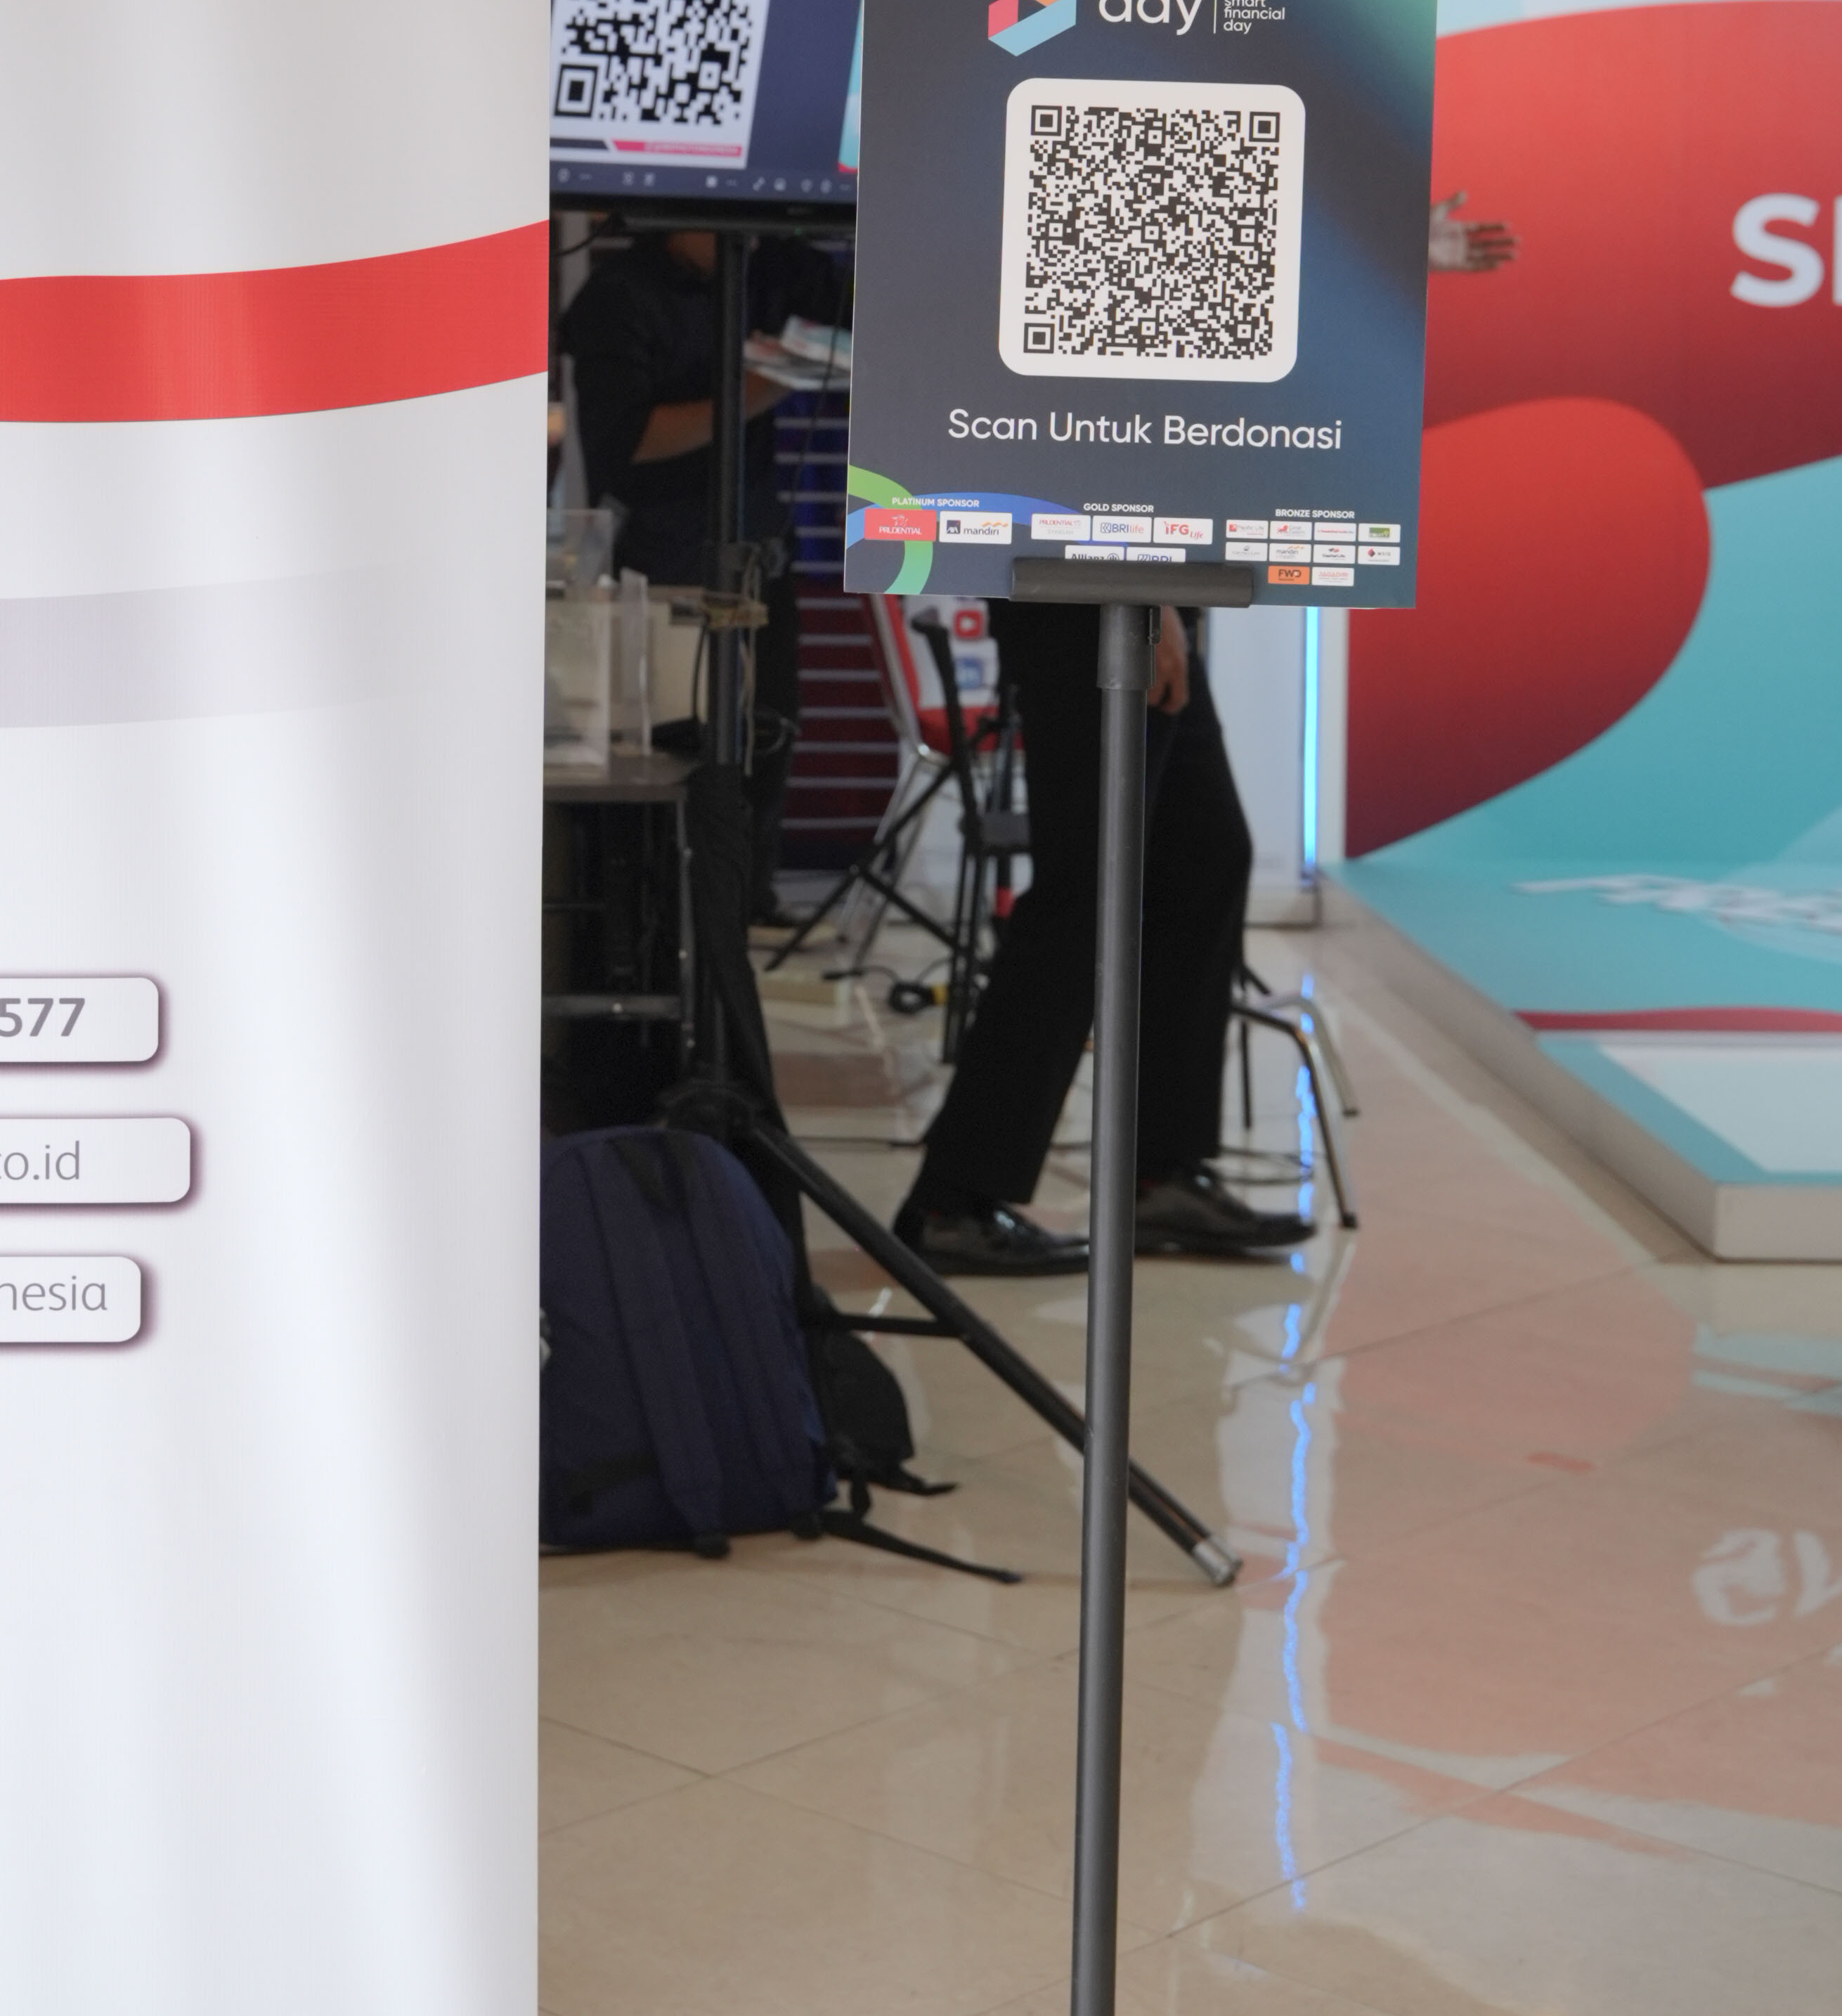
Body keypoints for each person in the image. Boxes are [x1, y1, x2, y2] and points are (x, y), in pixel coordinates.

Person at [899, 599, 1309, 1277]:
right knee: (1087, 895)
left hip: (1141, 600)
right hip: (1099, 604)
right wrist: (1147, 605)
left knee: (1203, 857)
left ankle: (1159, 1174)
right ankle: (952, 1202)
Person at [560, 221, 838, 878]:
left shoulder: (774, 268)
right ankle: (664, 908)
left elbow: (848, 298)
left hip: (758, 551)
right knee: (668, 754)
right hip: (662, 565)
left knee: (767, 737)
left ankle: (750, 899)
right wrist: (759, 390)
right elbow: (627, 442)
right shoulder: (621, 296)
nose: (750, 241)